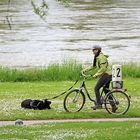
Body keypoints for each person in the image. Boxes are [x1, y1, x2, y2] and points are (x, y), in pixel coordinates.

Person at [81, 45, 115, 110]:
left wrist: (96, 75)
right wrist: (85, 70)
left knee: (96, 88)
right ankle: (114, 106)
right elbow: (93, 66)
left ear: (98, 50)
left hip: (107, 75)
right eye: (92, 50)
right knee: (106, 90)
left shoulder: (101, 57)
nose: (93, 51)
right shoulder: (97, 57)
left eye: (94, 50)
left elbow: (103, 68)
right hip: (106, 75)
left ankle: (99, 104)